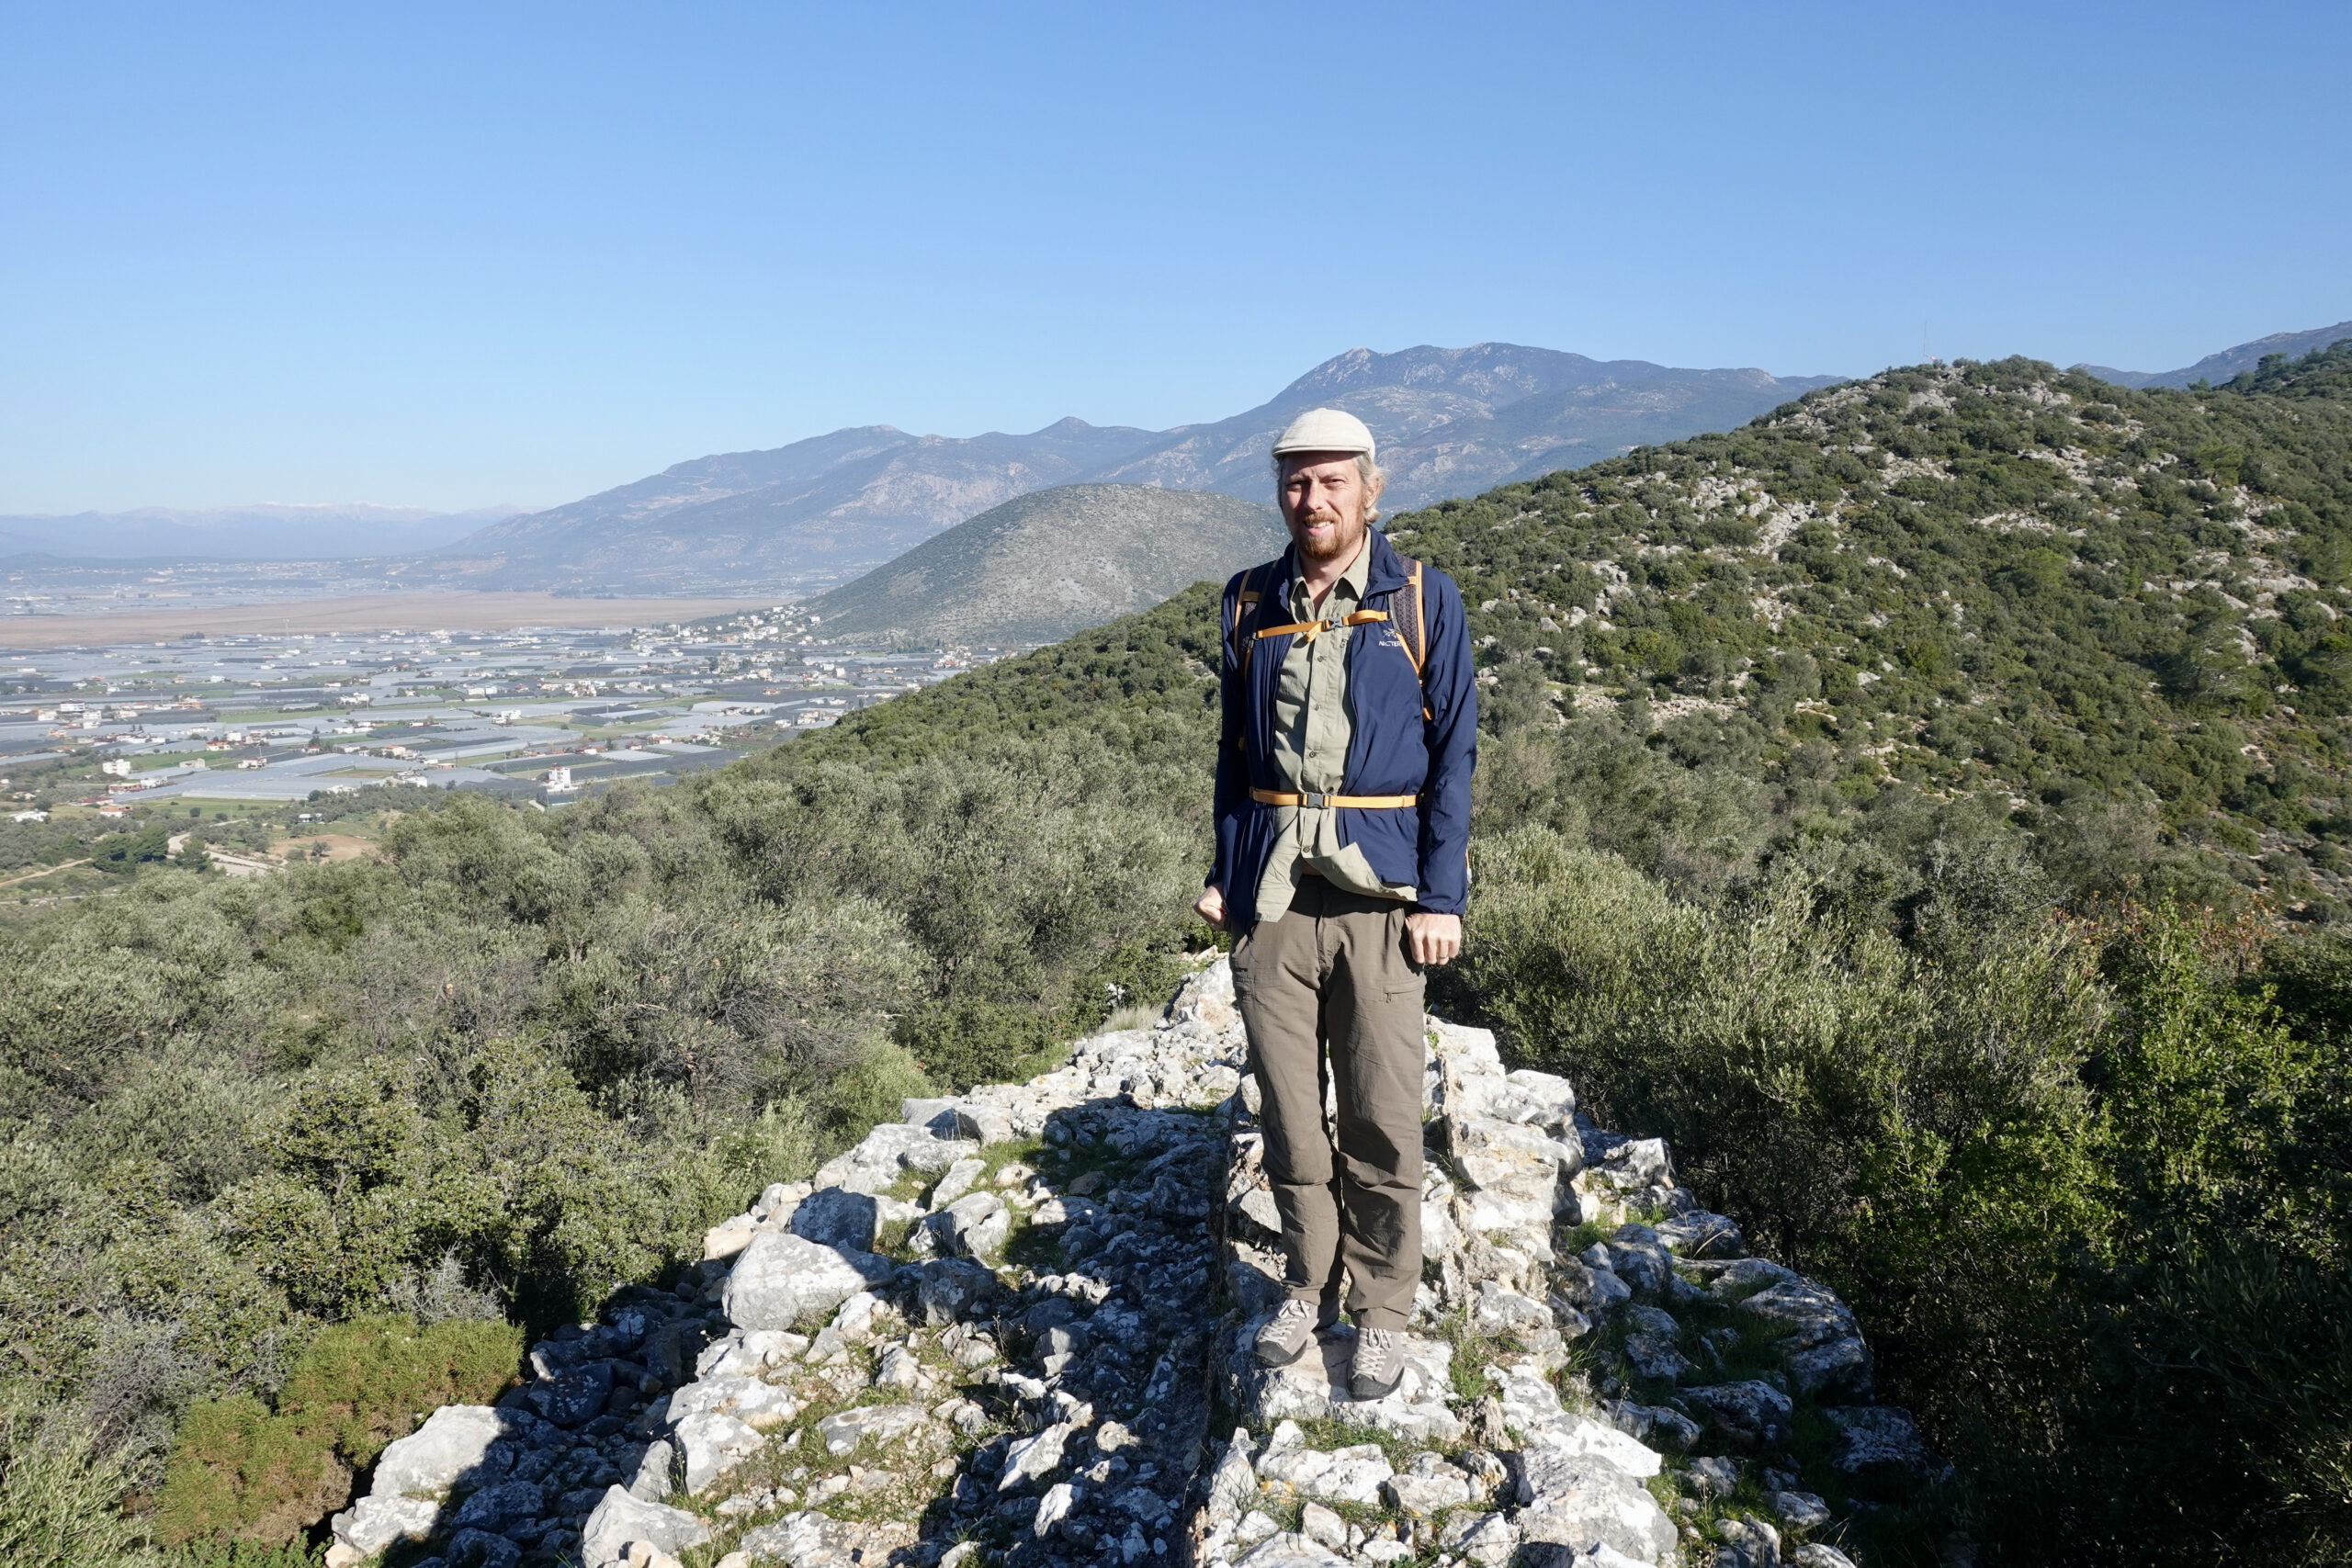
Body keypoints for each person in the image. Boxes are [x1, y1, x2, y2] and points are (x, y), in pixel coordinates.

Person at [1194, 406, 1476, 1400]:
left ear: (1369, 488)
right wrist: (1224, 869)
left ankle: (1383, 1310)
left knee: (1385, 1117)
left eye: (1328, 482)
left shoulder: (1422, 601)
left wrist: (1441, 896)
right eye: (1293, 482)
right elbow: (1233, 759)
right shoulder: (1245, 603)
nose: (1309, 500)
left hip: (1382, 900)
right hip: (1273, 900)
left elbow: (1455, 763)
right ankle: (1307, 1285)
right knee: (1288, 1117)